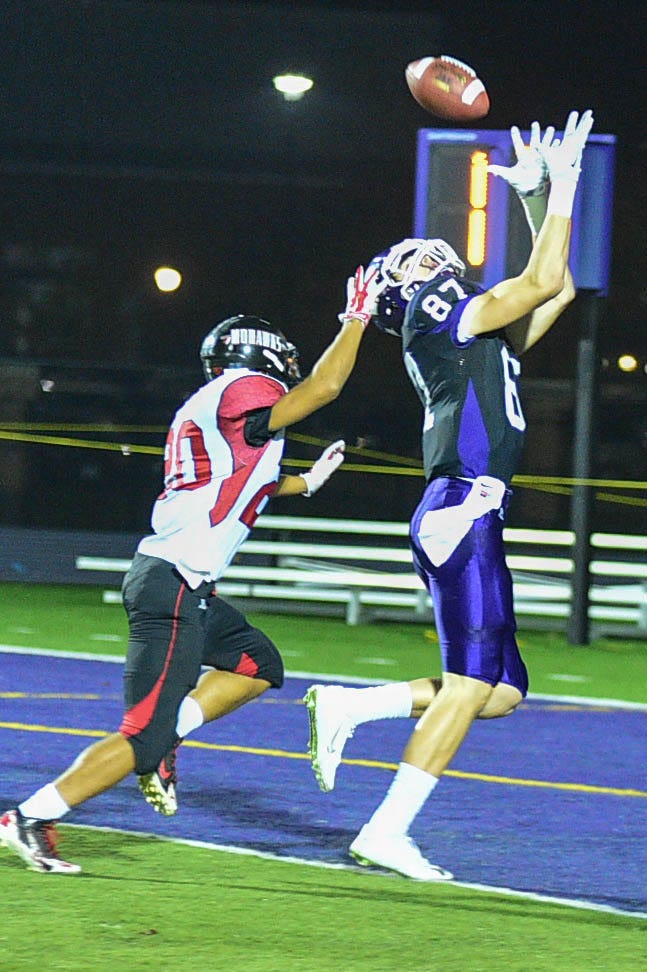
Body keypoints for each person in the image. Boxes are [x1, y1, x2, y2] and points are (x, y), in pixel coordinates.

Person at [0, 268, 383, 873]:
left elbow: (242, 480)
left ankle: (169, 732)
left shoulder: (215, 406)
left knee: (258, 665)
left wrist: (306, 482)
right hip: (172, 586)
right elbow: (326, 386)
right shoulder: (245, 387)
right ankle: (32, 816)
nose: (284, 366)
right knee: (141, 737)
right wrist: (356, 317)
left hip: (181, 582)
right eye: (277, 357)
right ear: (254, 357)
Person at [304, 109, 594, 882]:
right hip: (462, 506)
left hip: (470, 510)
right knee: (469, 683)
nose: (422, 257)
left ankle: (351, 707)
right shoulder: (444, 323)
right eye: (408, 264)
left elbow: (553, 290)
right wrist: (560, 189)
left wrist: (535, 199)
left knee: (498, 693)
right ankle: (385, 832)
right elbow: (535, 280)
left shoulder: (474, 334)